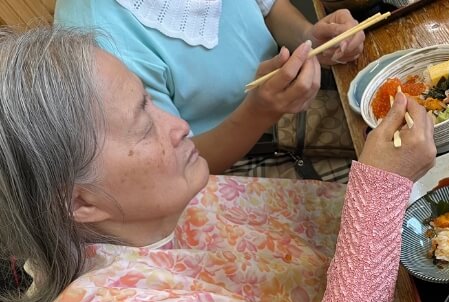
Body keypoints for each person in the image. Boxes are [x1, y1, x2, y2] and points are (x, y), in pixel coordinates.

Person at [0, 26, 436, 302]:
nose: (178, 125)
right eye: (143, 124)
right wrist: (379, 190)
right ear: (79, 202)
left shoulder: (131, 214)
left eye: (151, 101)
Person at [54, 0, 366, 181]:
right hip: (226, 173)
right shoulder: (94, 38)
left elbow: (268, 7)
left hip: (290, 117)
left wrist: (310, 35)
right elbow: (167, 170)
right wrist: (259, 112)